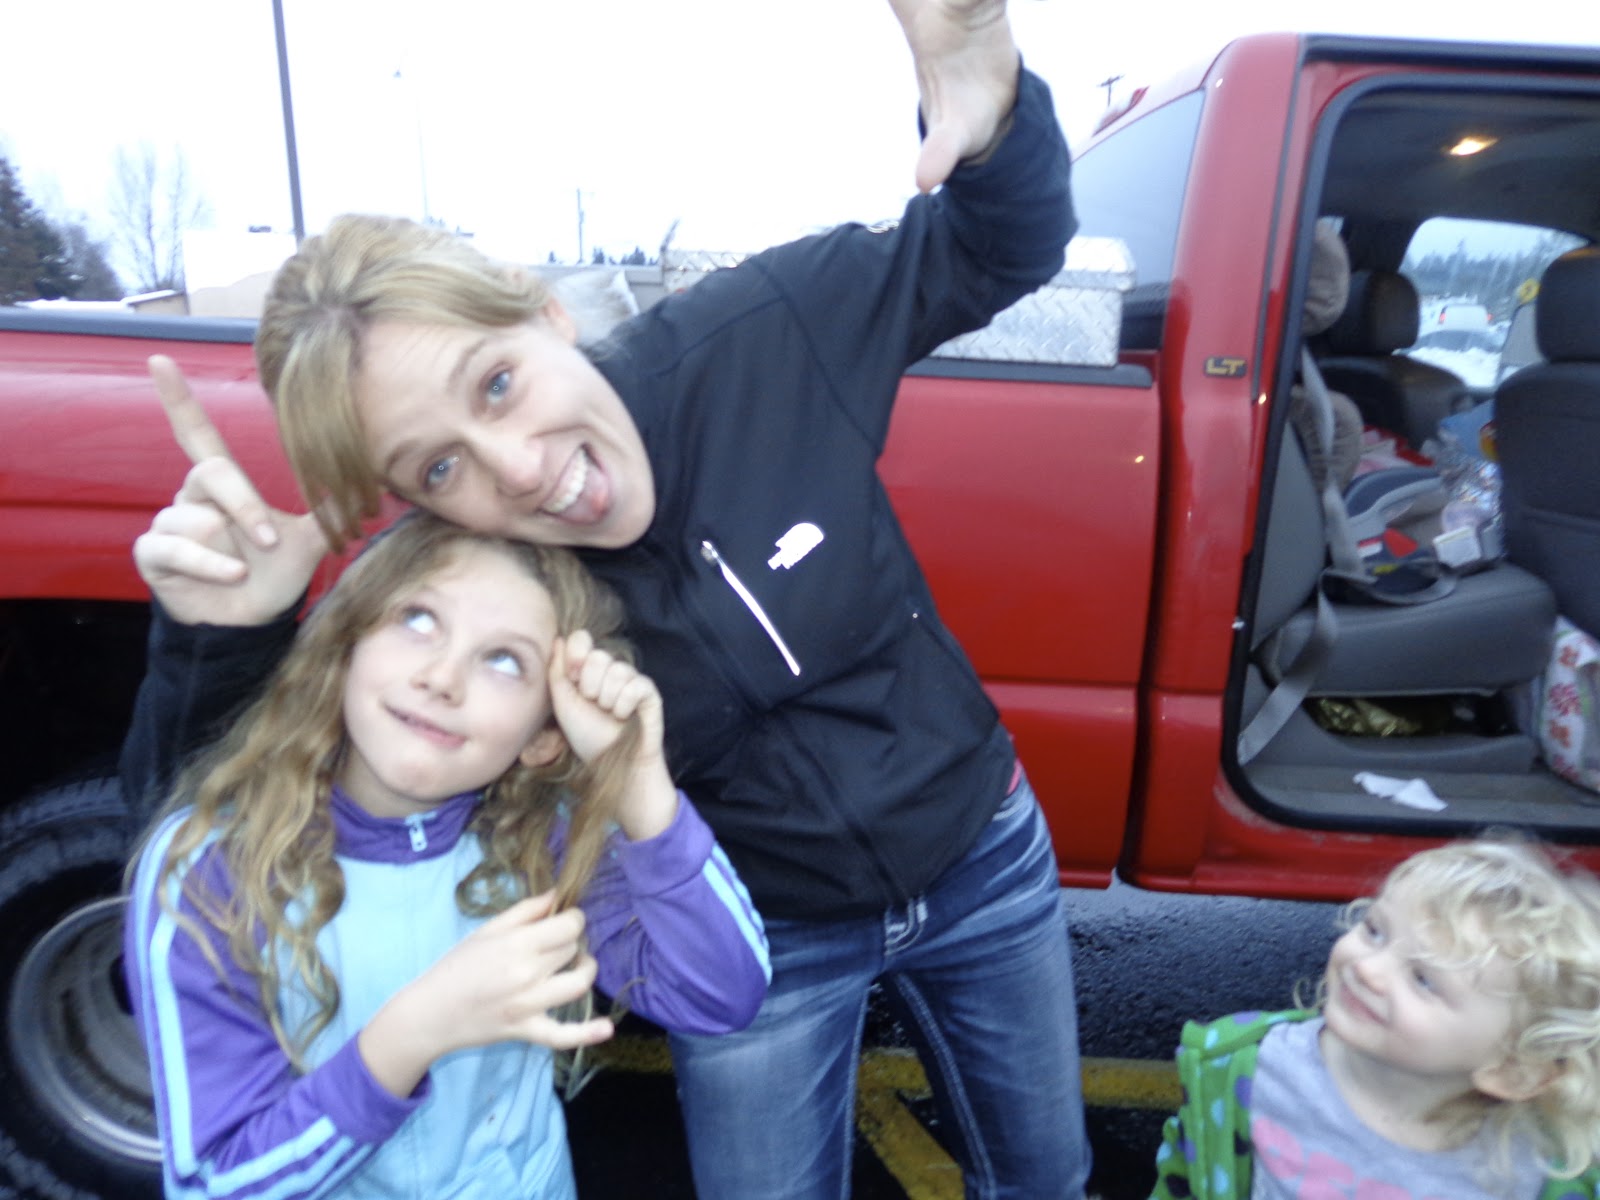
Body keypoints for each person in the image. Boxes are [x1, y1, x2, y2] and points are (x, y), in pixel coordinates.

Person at [120, 0, 1092, 1194]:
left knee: (1046, 1176)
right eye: (439, 467)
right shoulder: (474, 581)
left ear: (542, 310)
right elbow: (208, 830)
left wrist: (993, 107)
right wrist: (219, 640)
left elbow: (996, 249)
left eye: (497, 382)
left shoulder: (759, 338)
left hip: (980, 852)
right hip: (757, 931)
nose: (518, 468)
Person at [123, 510, 770, 1200]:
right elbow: (216, 1183)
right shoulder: (211, 869)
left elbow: (720, 996)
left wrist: (639, 785)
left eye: (504, 660)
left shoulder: (541, 838)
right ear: (345, 645)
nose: (443, 678)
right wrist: (413, 1034)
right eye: (418, 619)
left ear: (543, 736)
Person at [1148, 835, 1600, 1200]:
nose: (1368, 968)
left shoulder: (1538, 1170)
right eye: (1375, 931)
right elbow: (1186, 1174)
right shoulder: (1245, 1067)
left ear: (1512, 1070)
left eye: (1423, 979)